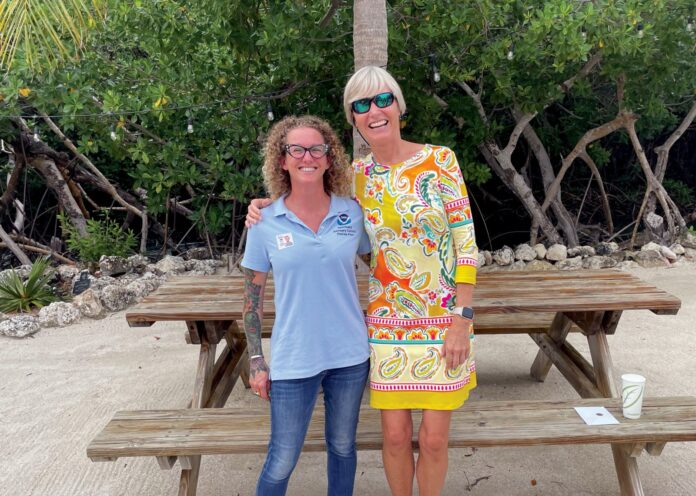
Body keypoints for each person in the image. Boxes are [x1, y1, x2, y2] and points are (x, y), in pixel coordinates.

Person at [247, 66, 478, 496]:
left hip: (446, 322)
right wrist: (263, 206)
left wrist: (462, 319)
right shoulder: (357, 177)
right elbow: (308, 189)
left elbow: (466, 244)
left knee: (432, 439)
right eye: (361, 104)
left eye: (383, 99)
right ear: (352, 118)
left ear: (399, 105)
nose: (374, 110)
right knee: (393, 438)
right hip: (389, 325)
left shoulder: (440, 161)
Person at [241, 115, 371, 496]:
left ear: (330, 158)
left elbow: (383, 265)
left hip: (350, 354)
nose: (307, 156)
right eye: (296, 149)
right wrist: (255, 359)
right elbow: (252, 297)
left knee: (343, 446)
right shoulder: (263, 221)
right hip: (293, 358)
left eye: (316, 149)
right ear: (282, 160)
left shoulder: (353, 212)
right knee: (282, 458)